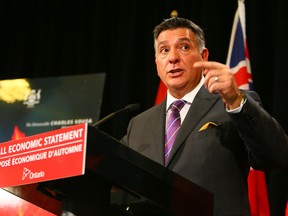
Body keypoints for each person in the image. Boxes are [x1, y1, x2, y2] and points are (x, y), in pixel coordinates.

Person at [120, 17, 288, 216]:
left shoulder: (232, 104)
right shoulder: (139, 125)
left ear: (203, 55)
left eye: (183, 47)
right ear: (157, 62)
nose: (173, 58)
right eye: (164, 50)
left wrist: (236, 101)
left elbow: (276, 155)